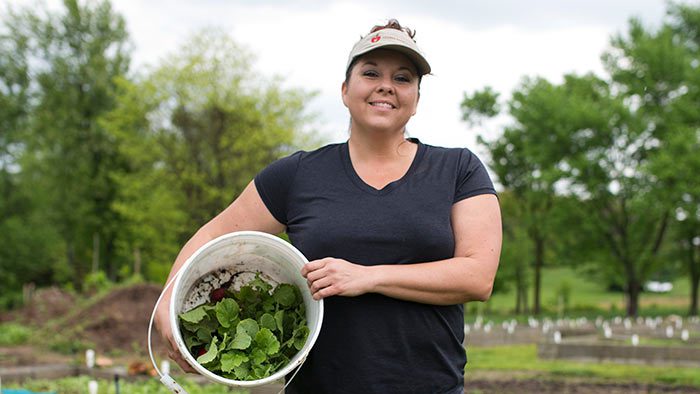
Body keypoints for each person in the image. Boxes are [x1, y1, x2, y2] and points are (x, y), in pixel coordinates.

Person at [155, 18, 502, 394]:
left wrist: (368, 276)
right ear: (344, 90)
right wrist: (164, 306)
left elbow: (477, 275)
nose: (386, 85)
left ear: (416, 100)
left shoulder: (458, 169)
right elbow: (213, 234)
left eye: (403, 78)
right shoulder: (299, 174)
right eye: (371, 73)